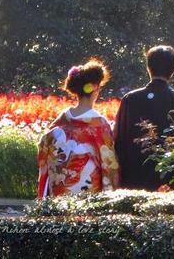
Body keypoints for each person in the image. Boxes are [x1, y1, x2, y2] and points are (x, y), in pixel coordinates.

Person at [114, 45, 174, 191]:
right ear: (173, 70)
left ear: (148, 67)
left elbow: (118, 140)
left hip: (133, 181)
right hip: (170, 182)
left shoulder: (130, 99)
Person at [37, 58, 120, 197]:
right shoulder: (99, 125)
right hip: (87, 191)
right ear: (96, 89)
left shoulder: (60, 122)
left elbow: (44, 153)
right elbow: (109, 164)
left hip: (60, 190)